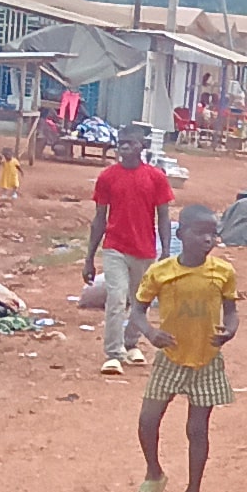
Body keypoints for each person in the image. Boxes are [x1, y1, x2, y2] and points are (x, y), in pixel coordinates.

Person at [131, 205, 240, 492]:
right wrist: (151, 333)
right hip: (171, 355)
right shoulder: (161, 272)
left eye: (212, 234)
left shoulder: (223, 272)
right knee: (148, 420)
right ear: (181, 234)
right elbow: (137, 310)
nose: (208, 239)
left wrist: (229, 332)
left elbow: (231, 312)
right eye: (200, 232)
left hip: (206, 358)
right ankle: (154, 472)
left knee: (197, 429)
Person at [85, 123, 172, 376]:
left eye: (130, 143)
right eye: (121, 142)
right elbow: (99, 218)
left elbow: (163, 216)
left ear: (141, 146)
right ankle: (113, 353)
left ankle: (131, 343)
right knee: (116, 298)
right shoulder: (107, 177)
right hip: (115, 248)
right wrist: (89, 257)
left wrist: (166, 251)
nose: (124, 147)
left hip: (145, 250)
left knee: (140, 300)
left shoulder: (156, 177)